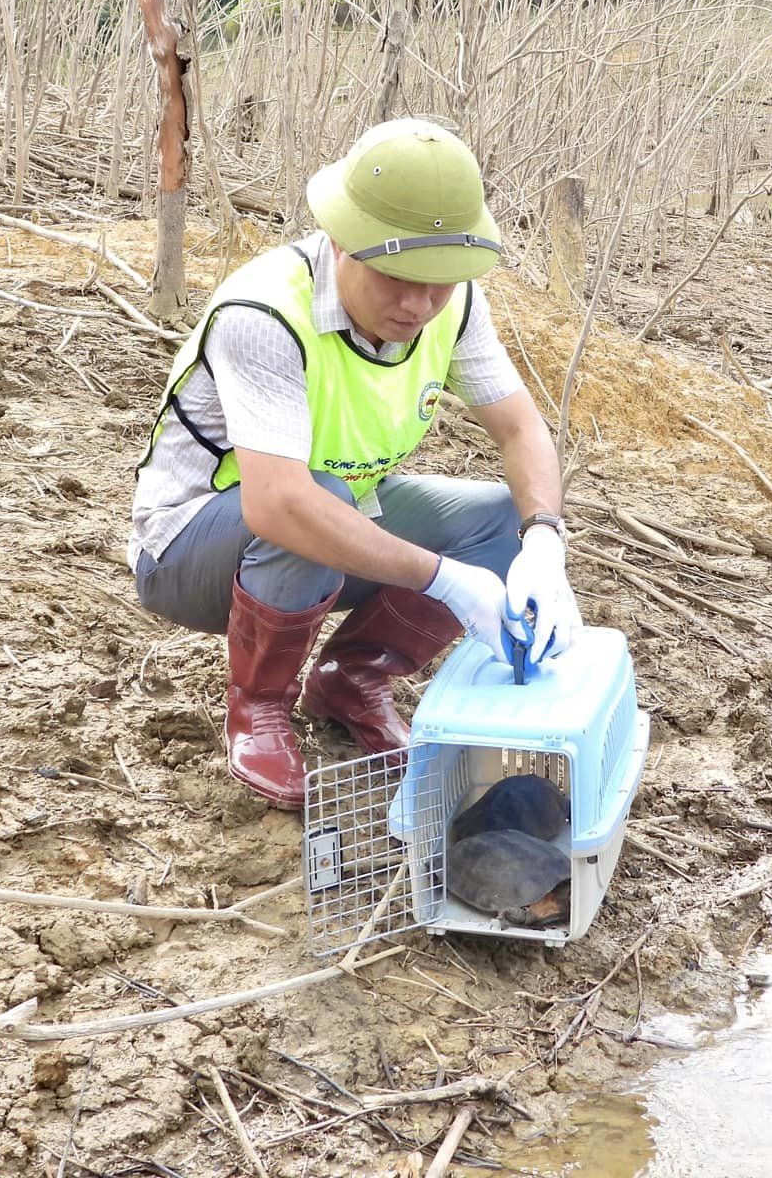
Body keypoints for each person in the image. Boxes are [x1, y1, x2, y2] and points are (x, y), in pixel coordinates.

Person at [130, 118, 581, 807]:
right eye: (398, 279)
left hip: (335, 516)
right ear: (342, 242)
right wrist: (444, 580)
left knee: (496, 519)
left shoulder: (450, 308)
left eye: (439, 283)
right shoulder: (267, 312)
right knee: (316, 502)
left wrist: (544, 541)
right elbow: (278, 504)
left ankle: (352, 676)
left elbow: (520, 427)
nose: (418, 305)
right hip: (190, 548)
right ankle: (257, 710)